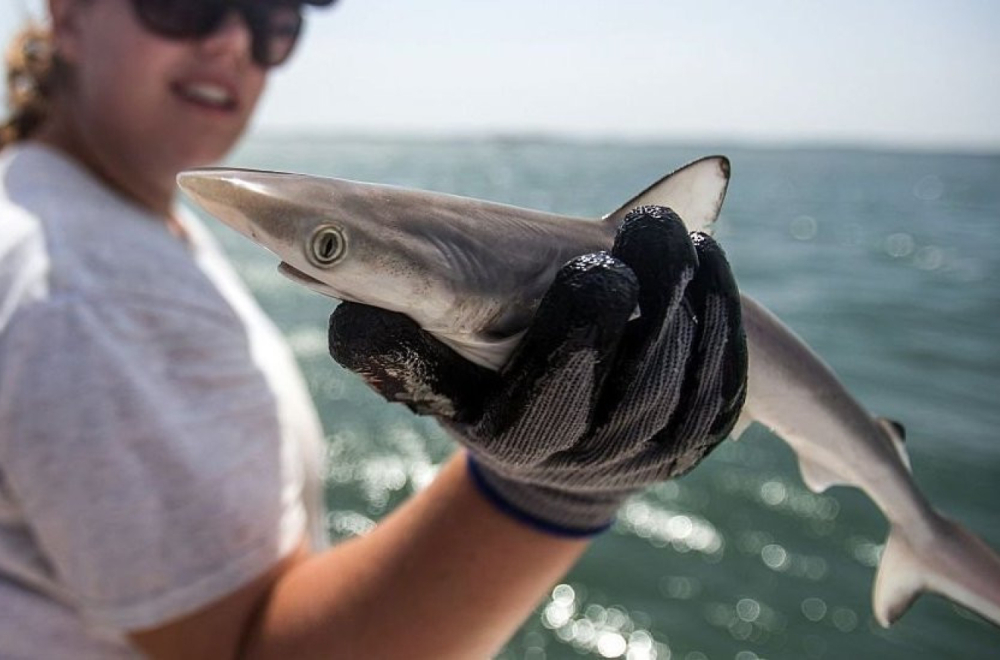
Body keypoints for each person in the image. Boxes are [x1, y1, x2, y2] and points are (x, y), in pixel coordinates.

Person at [0, 1, 747, 659]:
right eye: (186, 5)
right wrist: (554, 491)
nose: (233, 41)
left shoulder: (77, 210)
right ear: (67, 13)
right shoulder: (89, 292)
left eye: (274, 23)